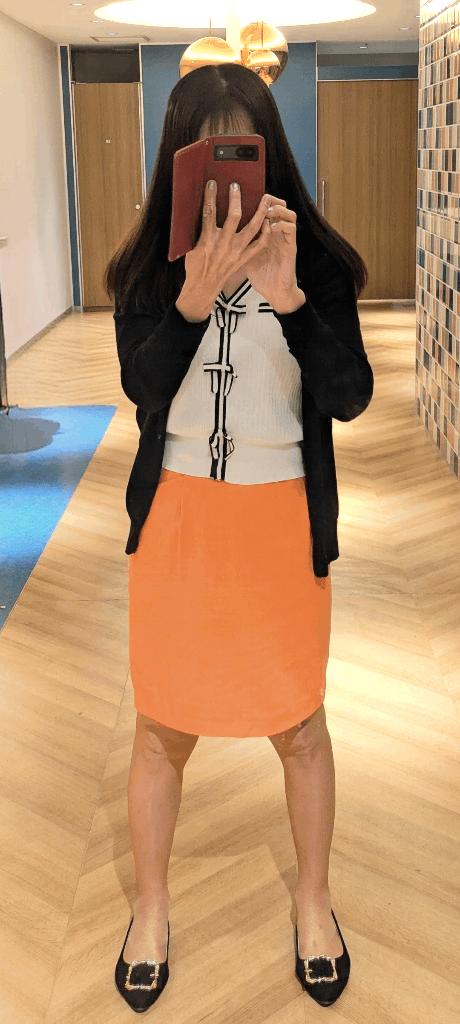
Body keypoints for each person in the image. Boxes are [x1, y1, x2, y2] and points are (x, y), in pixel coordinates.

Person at [106, 62, 373, 1012]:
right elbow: (143, 388)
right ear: (178, 164)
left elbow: (349, 395)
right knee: (159, 730)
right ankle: (150, 910)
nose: (227, 184)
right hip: (179, 522)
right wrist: (192, 300)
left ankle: (313, 902)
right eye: (205, 157)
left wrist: (290, 299)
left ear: (271, 158)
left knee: (299, 726)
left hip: (279, 524)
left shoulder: (319, 264)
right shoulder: (146, 270)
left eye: (242, 154)